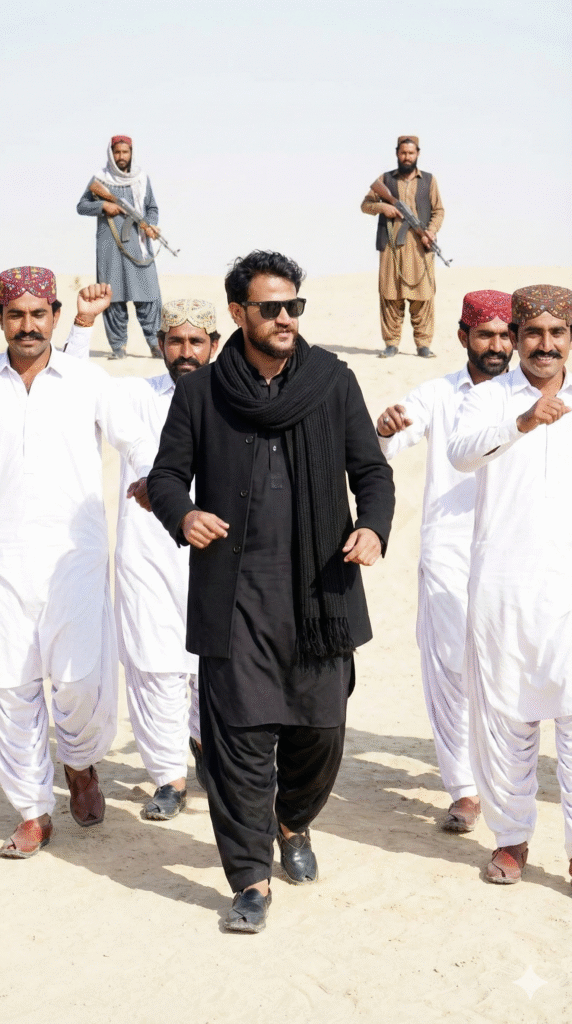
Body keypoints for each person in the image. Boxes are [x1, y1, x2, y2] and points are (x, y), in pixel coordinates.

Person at [147, 250, 395, 932]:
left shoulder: (331, 381)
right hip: (236, 596)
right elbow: (166, 476)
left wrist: (372, 527)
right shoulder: (202, 393)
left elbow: (371, 472)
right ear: (239, 313)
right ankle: (250, 879)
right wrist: (184, 515)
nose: (286, 318)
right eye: (271, 308)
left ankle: (293, 819)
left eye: (294, 306)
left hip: (320, 594)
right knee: (239, 743)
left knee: (321, 732)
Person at [0, 266, 154, 858]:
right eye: (16, 314)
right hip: (6, 560)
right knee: (12, 686)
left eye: (39, 314)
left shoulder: (85, 381)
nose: (28, 325)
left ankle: (81, 762)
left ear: (56, 316)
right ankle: (33, 810)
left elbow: (137, 440)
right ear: (2, 321)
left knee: (80, 680)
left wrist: (154, 480)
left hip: (76, 561)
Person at [66, 297, 220, 816]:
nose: (185, 351)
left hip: (215, 556)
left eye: (195, 341)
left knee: (211, 665)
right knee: (154, 665)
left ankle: (208, 748)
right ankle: (169, 779)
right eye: (175, 341)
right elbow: (70, 385)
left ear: (214, 345)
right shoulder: (133, 396)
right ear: (160, 344)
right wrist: (83, 325)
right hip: (147, 556)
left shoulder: (235, 400)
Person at [448, 284, 572, 885]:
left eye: (557, 333)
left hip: (567, 588)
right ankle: (511, 839)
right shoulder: (488, 397)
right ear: (517, 338)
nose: (545, 345)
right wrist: (522, 422)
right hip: (503, 583)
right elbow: (461, 453)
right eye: (534, 333)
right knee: (504, 716)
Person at [377, 291, 513, 832]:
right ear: (463, 337)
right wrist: (386, 427)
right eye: (485, 335)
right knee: (449, 668)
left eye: (505, 335)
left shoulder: (528, 395)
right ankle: (464, 789)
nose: (496, 345)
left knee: (508, 669)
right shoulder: (438, 393)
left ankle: (504, 780)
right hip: (448, 554)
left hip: (514, 554)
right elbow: (390, 441)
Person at [77, 135, 163, 360]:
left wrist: (150, 225)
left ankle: (156, 346)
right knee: (113, 297)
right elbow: (82, 206)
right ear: (111, 154)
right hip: (110, 248)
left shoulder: (141, 178)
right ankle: (118, 348)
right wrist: (103, 205)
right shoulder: (100, 179)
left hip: (139, 247)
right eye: (117, 152)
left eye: (125, 152)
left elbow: (152, 208)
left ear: (131, 153)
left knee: (148, 296)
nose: (121, 156)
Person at [361, 135, 444, 359]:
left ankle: (423, 345)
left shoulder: (429, 180)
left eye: (411, 153)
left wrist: (431, 231)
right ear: (397, 153)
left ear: (418, 154)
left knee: (423, 296)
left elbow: (438, 211)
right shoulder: (385, 180)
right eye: (403, 153)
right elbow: (365, 205)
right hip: (391, 248)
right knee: (390, 295)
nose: (407, 157)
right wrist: (383, 208)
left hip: (420, 249)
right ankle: (391, 343)